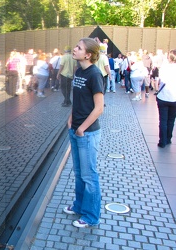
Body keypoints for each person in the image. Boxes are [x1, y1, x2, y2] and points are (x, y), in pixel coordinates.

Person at [62, 38, 104, 228]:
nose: (74, 49)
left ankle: (91, 216)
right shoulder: (79, 70)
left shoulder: (95, 74)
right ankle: (79, 206)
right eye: (75, 45)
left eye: (79, 47)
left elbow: (99, 108)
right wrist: (72, 118)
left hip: (87, 133)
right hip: (76, 129)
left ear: (88, 54)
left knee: (89, 176)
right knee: (79, 173)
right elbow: (78, 100)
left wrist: (81, 128)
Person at [156, 49, 176, 148]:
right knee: (171, 120)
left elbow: (160, 80)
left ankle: (162, 141)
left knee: (163, 120)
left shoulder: (164, 67)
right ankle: (168, 138)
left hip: (163, 96)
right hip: (174, 98)